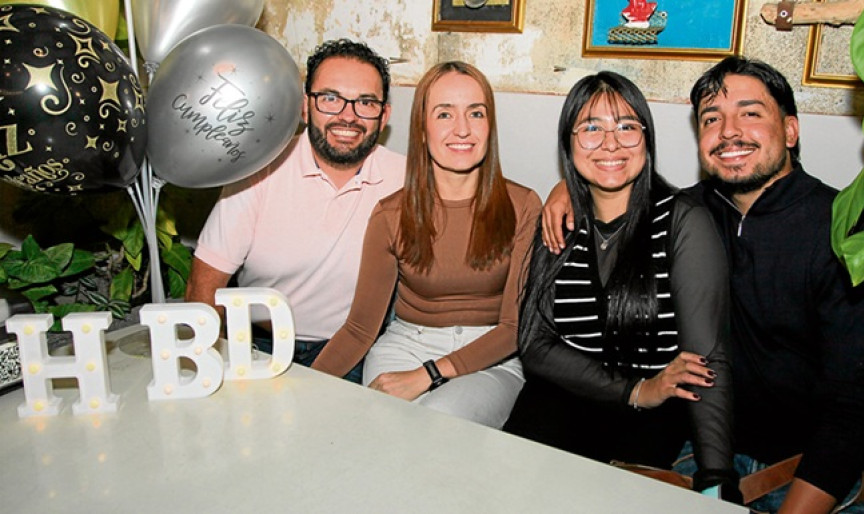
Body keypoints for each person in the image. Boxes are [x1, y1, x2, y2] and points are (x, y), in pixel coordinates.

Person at [542, 57, 864, 513]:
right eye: (711, 118)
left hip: (852, 474)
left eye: (751, 113)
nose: (728, 131)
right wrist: (568, 190)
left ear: (791, 131)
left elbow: (855, 409)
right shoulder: (687, 217)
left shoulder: (853, 232)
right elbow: (617, 191)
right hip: (716, 455)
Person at [502, 71, 739, 501]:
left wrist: (716, 478)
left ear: (646, 141)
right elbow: (535, 345)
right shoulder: (560, 220)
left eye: (627, 127)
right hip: (557, 400)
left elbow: (707, 357)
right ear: (568, 144)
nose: (610, 143)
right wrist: (633, 390)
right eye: (591, 128)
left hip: (649, 420)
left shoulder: (682, 221)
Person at [310, 61, 542, 429]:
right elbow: (359, 329)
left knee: (442, 420)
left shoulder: (523, 206)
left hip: (492, 356)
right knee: (382, 427)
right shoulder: (390, 214)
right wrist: (302, 391)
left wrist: (427, 375)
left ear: (489, 125)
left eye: (476, 113)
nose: (462, 129)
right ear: (421, 128)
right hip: (406, 345)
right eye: (444, 113)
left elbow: (515, 328)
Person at [186, 39, 405, 381]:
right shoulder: (259, 170)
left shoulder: (405, 179)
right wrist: (214, 366)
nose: (348, 115)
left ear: (384, 115)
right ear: (305, 106)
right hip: (259, 346)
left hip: (357, 351)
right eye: (330, 98)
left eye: (365, 102)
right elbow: (204, 286)